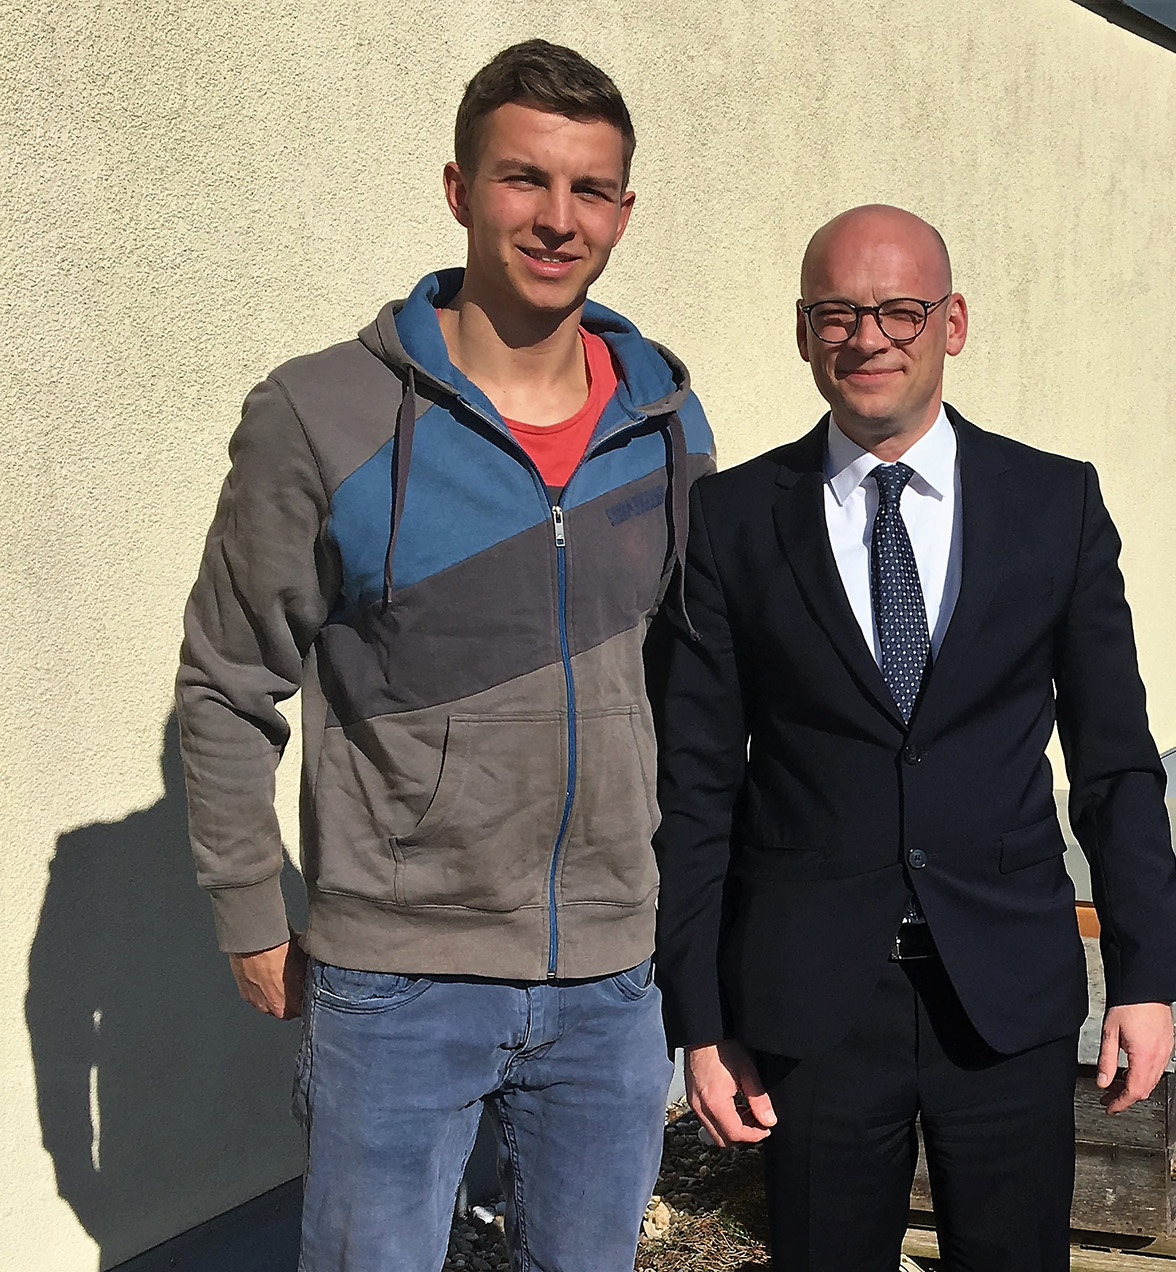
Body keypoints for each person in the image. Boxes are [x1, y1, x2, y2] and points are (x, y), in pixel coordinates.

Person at [175, 40, 713, 1272]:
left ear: (623, 213)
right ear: (459, 188)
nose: (557, 219)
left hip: (610, 979)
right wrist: (252, 911)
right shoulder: (320, 414)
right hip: (397, 980)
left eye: (590, 191)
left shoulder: (667, 425)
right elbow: (226, 679)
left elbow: (685, 684)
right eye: (525, 179)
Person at [655, 204, 1176, 1272]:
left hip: (1002, 996)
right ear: (803, 331)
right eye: (837, 313)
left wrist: (1144, 973)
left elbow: (1114, 760)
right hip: (812, 1009)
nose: (868, 338)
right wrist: (700, 1021)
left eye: (898, 310)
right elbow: (697, 787)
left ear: (951, 323)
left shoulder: (1053, 504)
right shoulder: (731, 522)